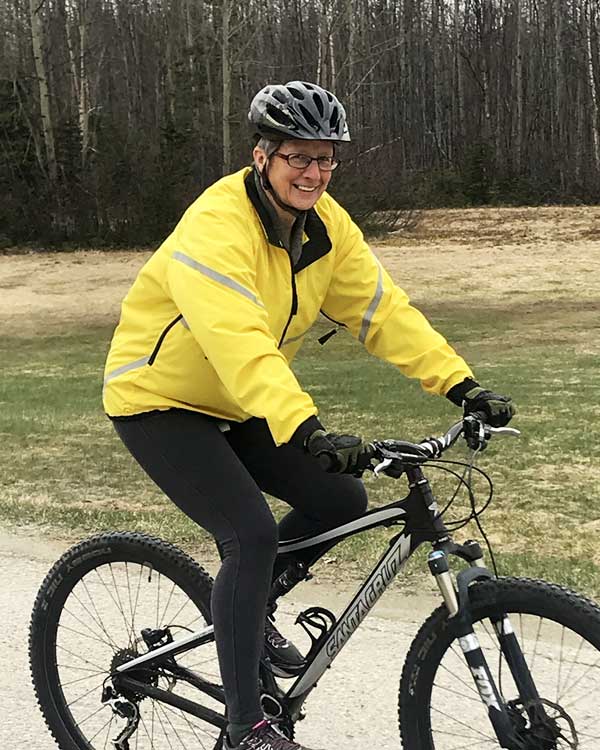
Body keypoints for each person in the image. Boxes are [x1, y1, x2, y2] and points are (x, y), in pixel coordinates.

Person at [103, 80, 514, 750]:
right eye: (299, 157)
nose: (314, 173)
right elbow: (239, 342)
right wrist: (308, 428)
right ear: (262, 155)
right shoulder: (216, 226)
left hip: (238, 401)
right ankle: (247, 727)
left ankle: (249, 608)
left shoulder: (326, 228)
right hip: (159, 399)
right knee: (250, 533)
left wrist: (462, 386)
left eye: (326, 159)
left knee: (340, 498)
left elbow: (382, 313)